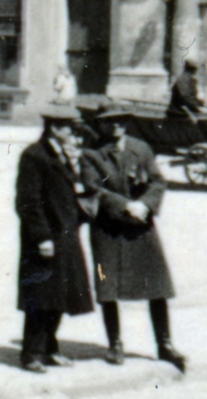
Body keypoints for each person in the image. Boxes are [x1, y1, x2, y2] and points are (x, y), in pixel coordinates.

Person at [80, 98, 186, 371]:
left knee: (157, 285)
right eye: (109, 121)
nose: (115, 126)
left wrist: (145, 204)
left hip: (141, 227)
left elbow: (158, 181)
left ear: (126, 123)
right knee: (107, 285)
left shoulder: (142, 149)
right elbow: (94, 190)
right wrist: (126, 206)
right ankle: (114, 344)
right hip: (108, 229)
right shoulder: (91, 154)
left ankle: (164, 344)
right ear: (100, 124)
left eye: (120, 120)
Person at [13, 105, 95, 373]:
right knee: (40, 296)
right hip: (46, 238)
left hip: (66, 235)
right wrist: (41, 237)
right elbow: (28, 201)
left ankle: (49, 348)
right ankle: (31, 353)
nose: (73, 132)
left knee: (60, 295)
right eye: (69, 128)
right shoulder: (34, 156)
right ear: (55, 128)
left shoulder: (65, 154)